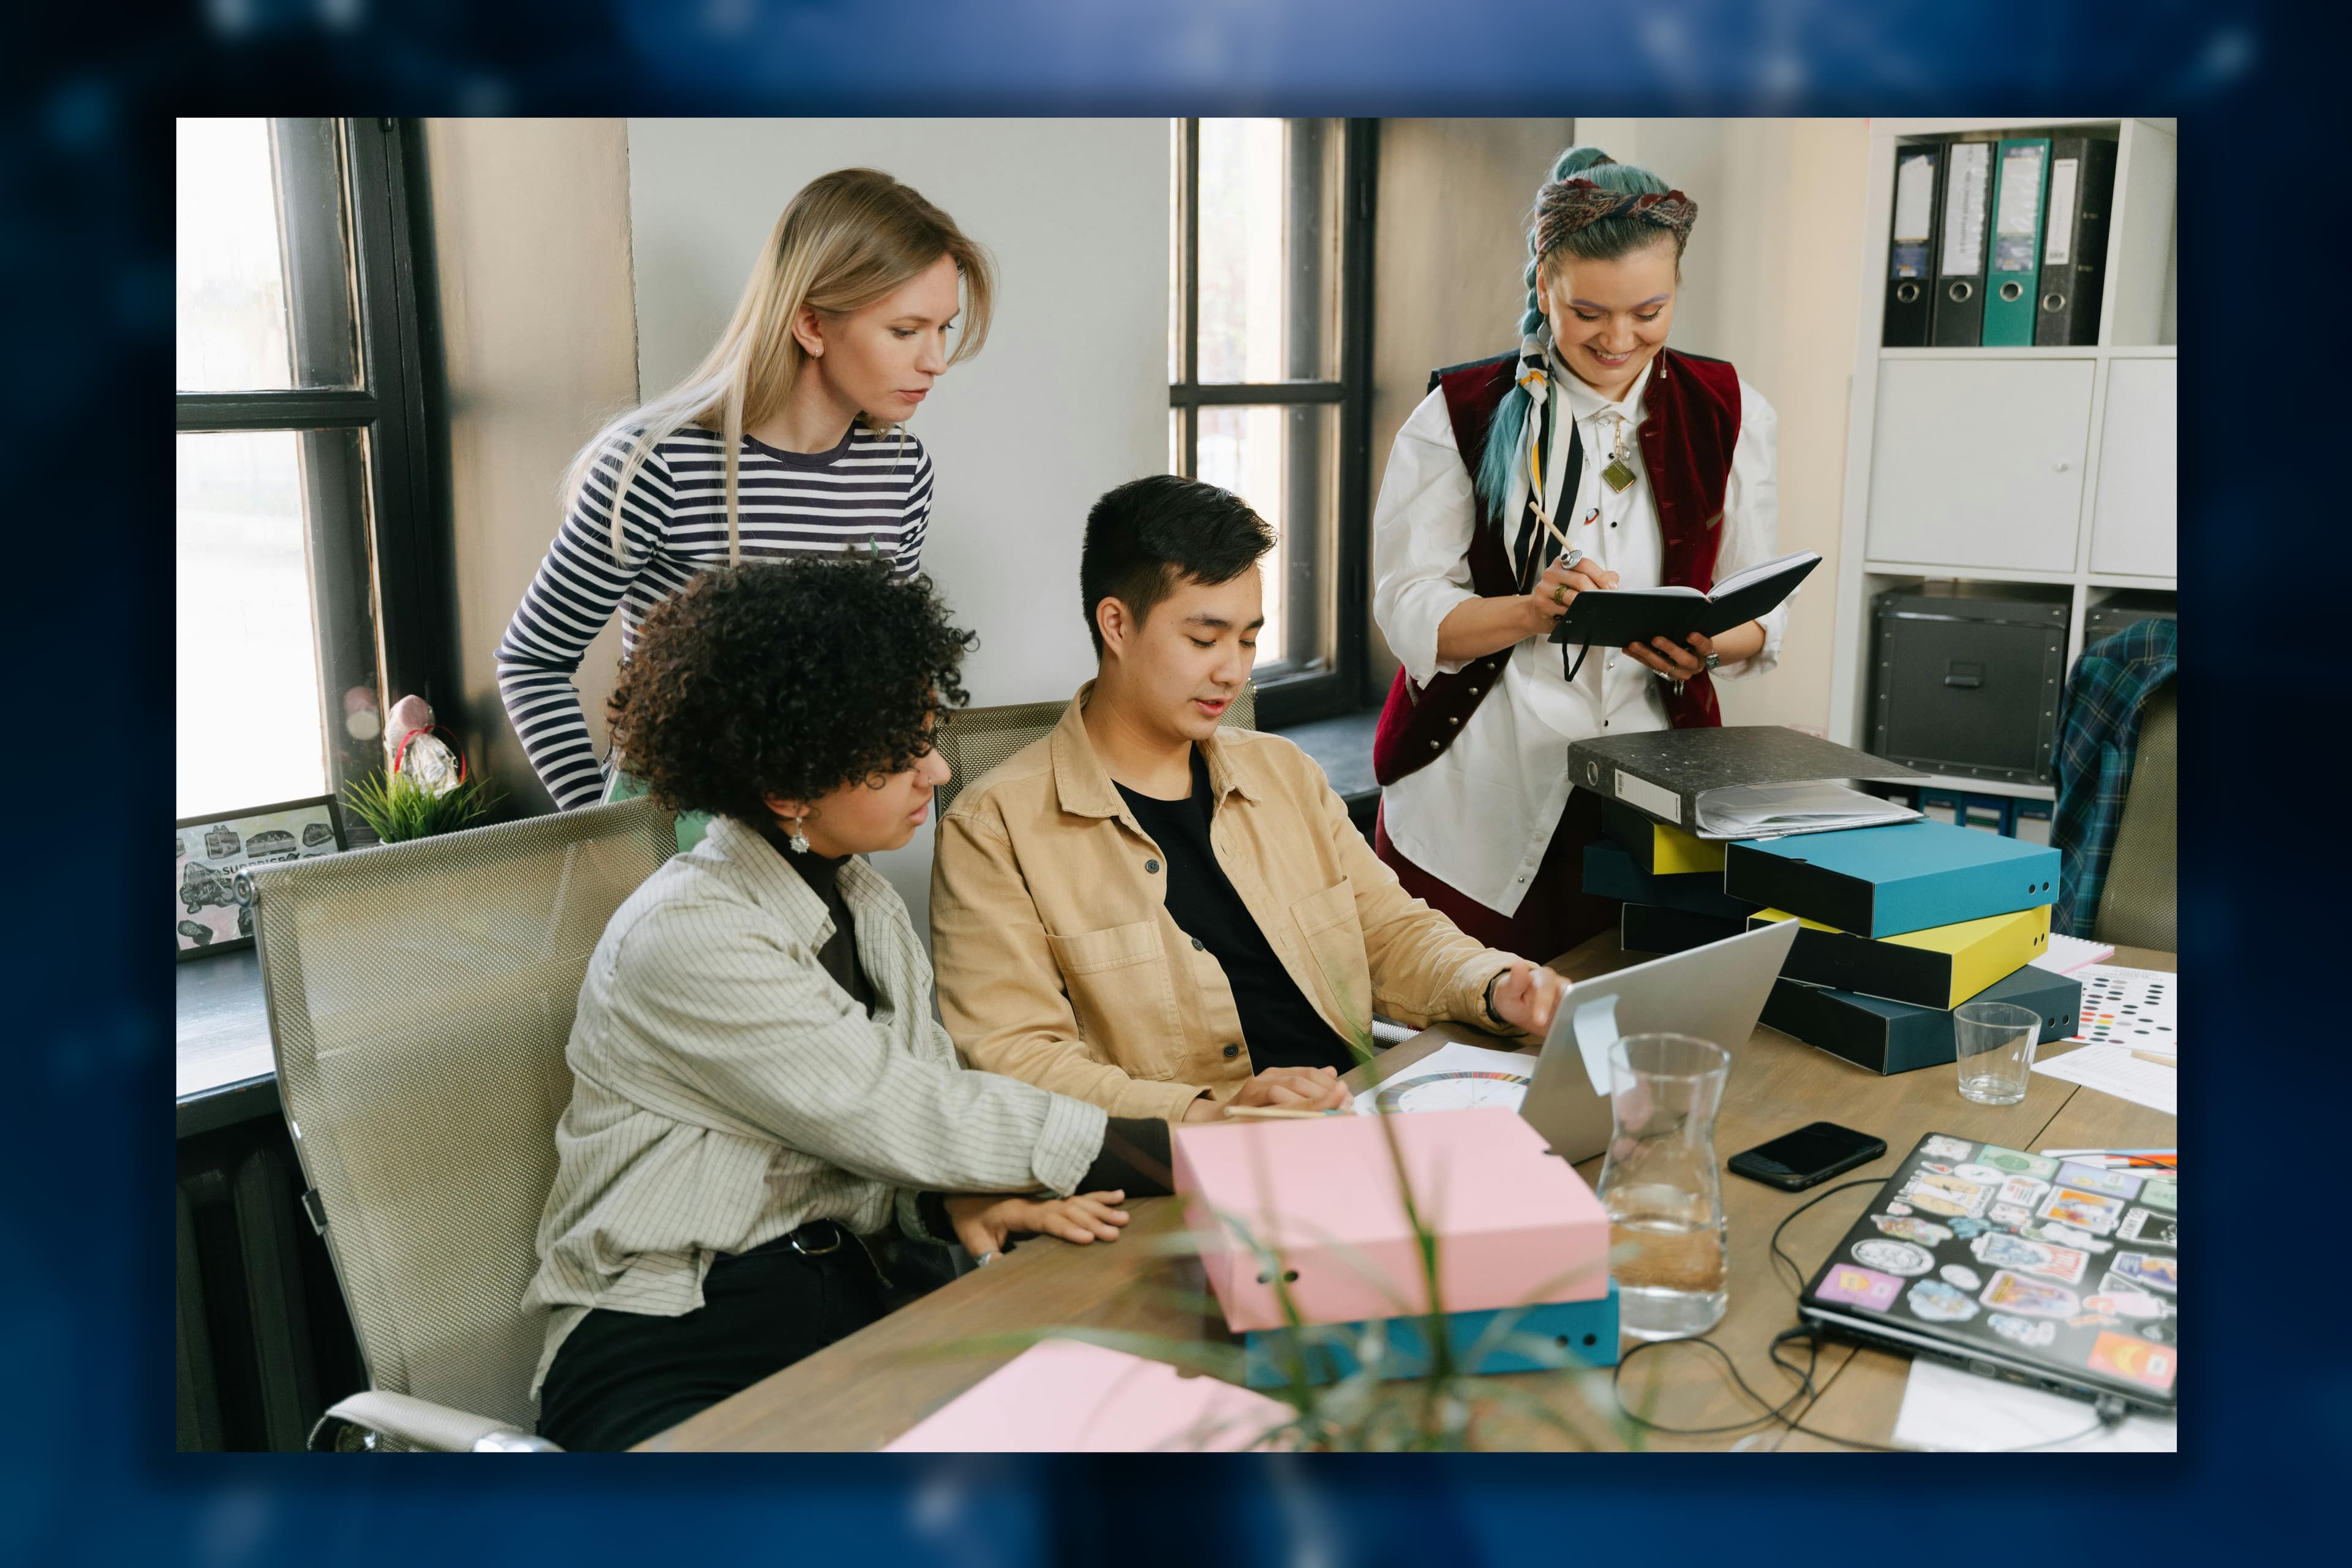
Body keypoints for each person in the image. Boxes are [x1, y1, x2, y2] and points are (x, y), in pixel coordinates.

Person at [526, 557, 1172, 1452]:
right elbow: (909, 1109)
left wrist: (943, 1210)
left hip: (856, 1311)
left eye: (927, 735)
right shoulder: (688, 936)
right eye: (900, 752)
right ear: (790, 785)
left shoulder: (862, 902)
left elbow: (854, 1151)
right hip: (679, 1344)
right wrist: (1195, 1153)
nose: (938, 770)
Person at [928, 475, 1570, 1125]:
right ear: (1116, 625)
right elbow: (1018, 1064)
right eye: (1204, 640)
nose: (1233, 670)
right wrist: (1213, 1110)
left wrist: (1494, 985)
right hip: (1187, 1176)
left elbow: (1389, 932)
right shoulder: (995, 828)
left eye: (1248, 639)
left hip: (1355, 1121)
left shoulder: (1282, 772)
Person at [1370, 145, 1792, 963]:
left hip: (1654, 795)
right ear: (1544, 288)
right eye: (1588, 312)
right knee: (1456, 1044)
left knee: (1629, 1041)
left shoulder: (1734, 410)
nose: (1619, 338)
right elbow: (1406, 607)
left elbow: (1762, 611)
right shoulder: (1457, 412)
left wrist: (1708, 642)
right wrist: (1531, 611)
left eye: (1649, 311)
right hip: (1476, 799)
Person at [498, 167, 993, 834]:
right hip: (679, 857)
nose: (936, 360)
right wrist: (614, 840)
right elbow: (533, 660)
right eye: (906, 331)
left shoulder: (902, 471)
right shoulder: (657, 464)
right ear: (812, 323)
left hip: (822, 848)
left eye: (944, 328)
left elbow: (884, 682)